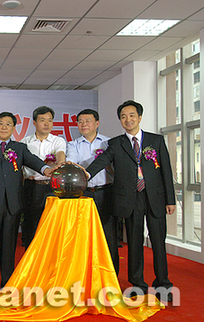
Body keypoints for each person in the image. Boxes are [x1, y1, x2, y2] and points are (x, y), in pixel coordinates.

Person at [86, 100, 175, 304]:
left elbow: (167, 171)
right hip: (130, 199)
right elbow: (102, 161)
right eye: (124, 116)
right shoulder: (116, 143)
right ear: (120, 120)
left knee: (158, 244)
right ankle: (138, 285)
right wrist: (85, 173)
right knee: (134, 243)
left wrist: (170, 200)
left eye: (132, 115)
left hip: (155, 199)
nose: (128, 119)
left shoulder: (156, 140)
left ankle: (163, 284)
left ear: (140, 117)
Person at [0, 112, 55, 292]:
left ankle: (8, 285)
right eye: (0, 123)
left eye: (8, 124)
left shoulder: (19, 148)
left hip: (12, 206)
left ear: (14, 128)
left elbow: (33, 161)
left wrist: (46, 169)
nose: (4, 127)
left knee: (9, 249)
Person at [66, 109, 119, 273]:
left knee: (108, 235)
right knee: (83, 235)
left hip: (106, 192)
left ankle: (111, 274)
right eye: (80, 121)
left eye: (87, 121)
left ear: (97, 123)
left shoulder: (109, 143)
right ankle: (85, 273)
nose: (83, 124)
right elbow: (72, 163)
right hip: (84, 194)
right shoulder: (73, 144)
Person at [20, 106, 66, 249]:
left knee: (52, 224)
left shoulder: (58, 141)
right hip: (31, 187)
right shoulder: (25, 143)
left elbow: (60, 155)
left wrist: (60, 163)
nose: (47, 124)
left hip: (51, 187)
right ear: (34, 123)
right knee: (30, 223)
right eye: (42, 120)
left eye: (50, 121)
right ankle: (30, 255)